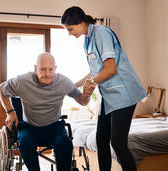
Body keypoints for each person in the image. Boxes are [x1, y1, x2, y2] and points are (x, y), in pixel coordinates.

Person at [61, 6, 147, 171]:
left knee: (118, 143)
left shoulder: (101, 33)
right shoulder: (87, 39)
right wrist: (75, 84)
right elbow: (95, 70)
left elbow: (110, 69)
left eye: (70, 29)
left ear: (81, 22)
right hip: (108, 97)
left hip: (124, 94)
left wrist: (91, 82)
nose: (70, 34)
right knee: (101, 139)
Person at [0, 52, 95, 171]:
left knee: (65, 144)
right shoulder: (22, 81)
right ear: (35, 69)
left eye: (50, 69)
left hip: (54, 127)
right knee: (25, 143)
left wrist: (87, 95)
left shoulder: (64, 82)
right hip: (30, 127)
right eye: (43, 69)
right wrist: (10, 111)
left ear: (55, 69)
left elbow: (82, 101)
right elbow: (1, 89)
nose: (47, 74)